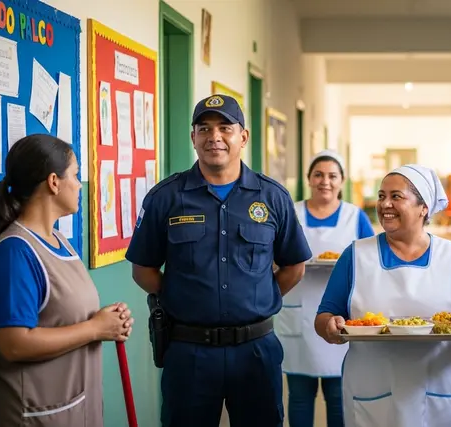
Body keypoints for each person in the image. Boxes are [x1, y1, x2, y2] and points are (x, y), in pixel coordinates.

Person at [125, 94, 312, 427]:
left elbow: (294, 267)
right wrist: (185, 296)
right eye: (204, 128)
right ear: (193, 137)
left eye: (226, 127)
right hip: (189, 352)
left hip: (256, 350)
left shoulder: (272, 197)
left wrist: (257, 297)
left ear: (243, 137)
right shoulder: (166, 197)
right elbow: (144, 270)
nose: (215, 137)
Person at [315, 164, 451, 427]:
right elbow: (324, 315)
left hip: (438, 386)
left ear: (424, 208)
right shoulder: (355, 255)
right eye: (381, 196)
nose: (385, 204)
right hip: (371, 387)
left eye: (396, 196)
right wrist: (330, 327)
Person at [0, 135, 133, 427]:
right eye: (76, 175)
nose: (79, 185)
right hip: (28, 414)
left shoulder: (60, 242)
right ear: (54, 182)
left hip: (73, 407)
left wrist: (110, 320)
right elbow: (14, 343)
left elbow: (63, 314)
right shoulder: (15, 252)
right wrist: (95, 327)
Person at [280, 149, 375, 427]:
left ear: (342, 180)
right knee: (298, 394)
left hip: (340, 313)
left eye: (332, 176)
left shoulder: (354, 216)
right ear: (309, 179)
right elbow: (273, 254)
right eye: (318, 175)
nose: (325, 181)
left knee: (338, 395)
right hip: (297, 310)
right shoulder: (290, 211)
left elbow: (370, 261)